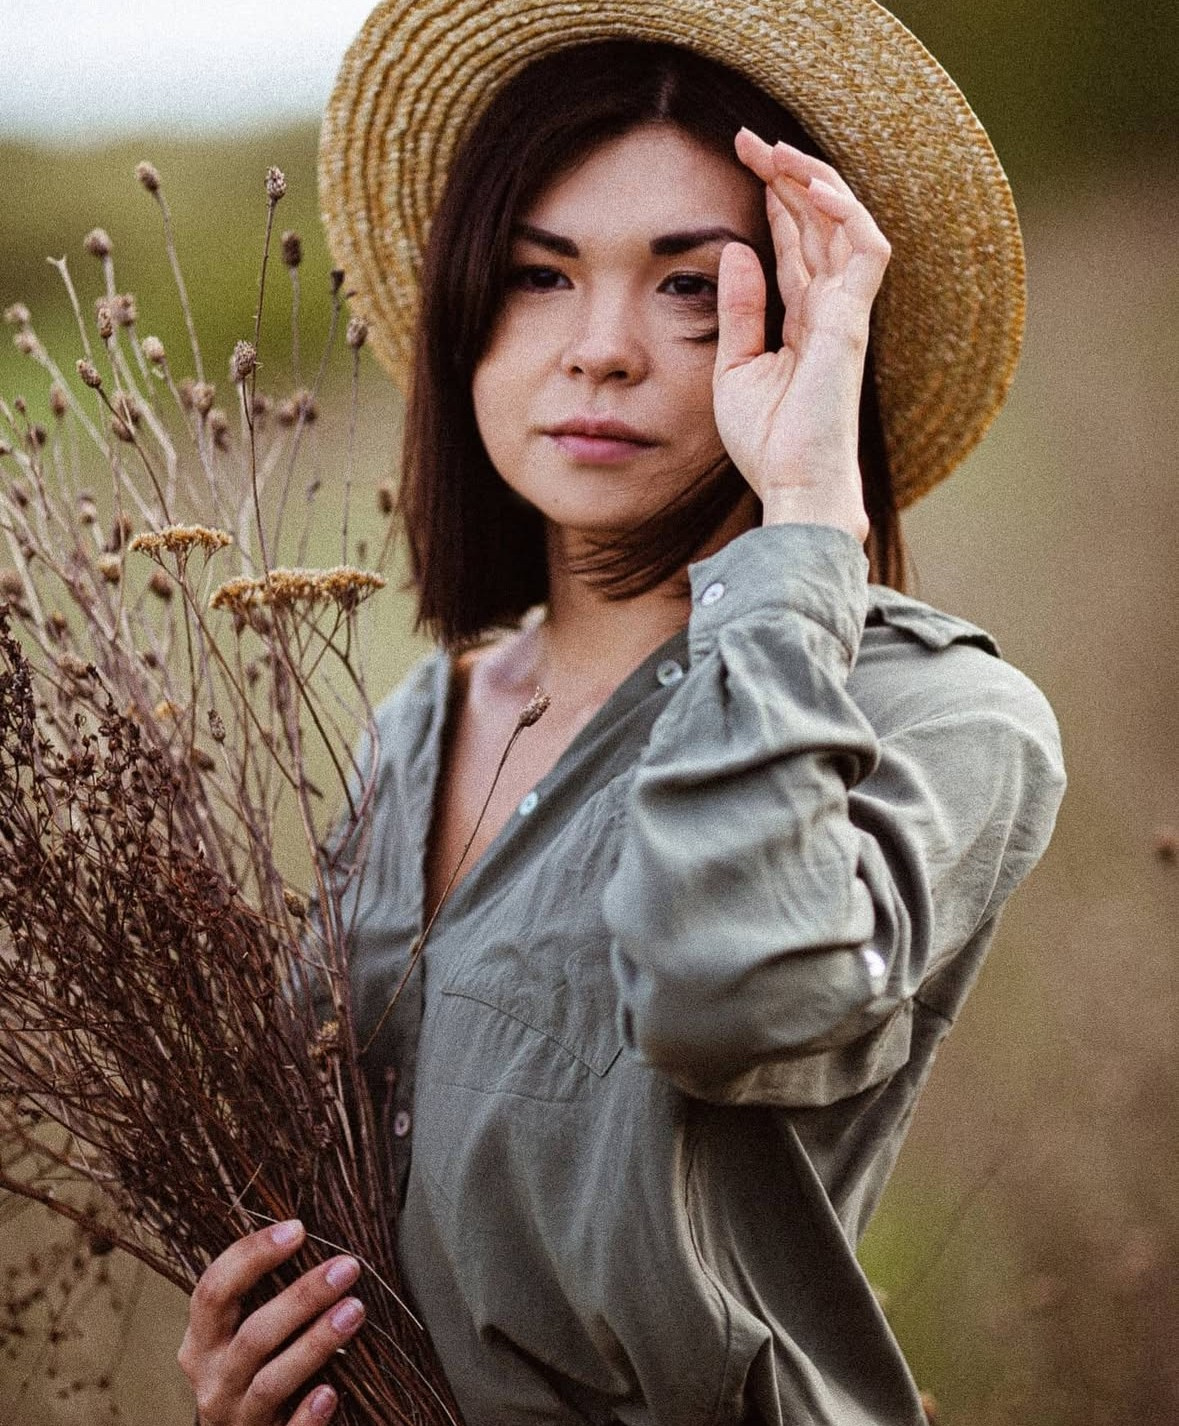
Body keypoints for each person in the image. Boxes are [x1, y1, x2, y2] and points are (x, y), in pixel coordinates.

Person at [177, 3, 1065, 1424]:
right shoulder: (419, 724)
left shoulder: (944, 714)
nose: (601, 350)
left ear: (816, 327)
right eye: (539, 275)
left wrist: (804, 529)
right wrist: (259, 1366)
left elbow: (736, 988)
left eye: (696, 288)